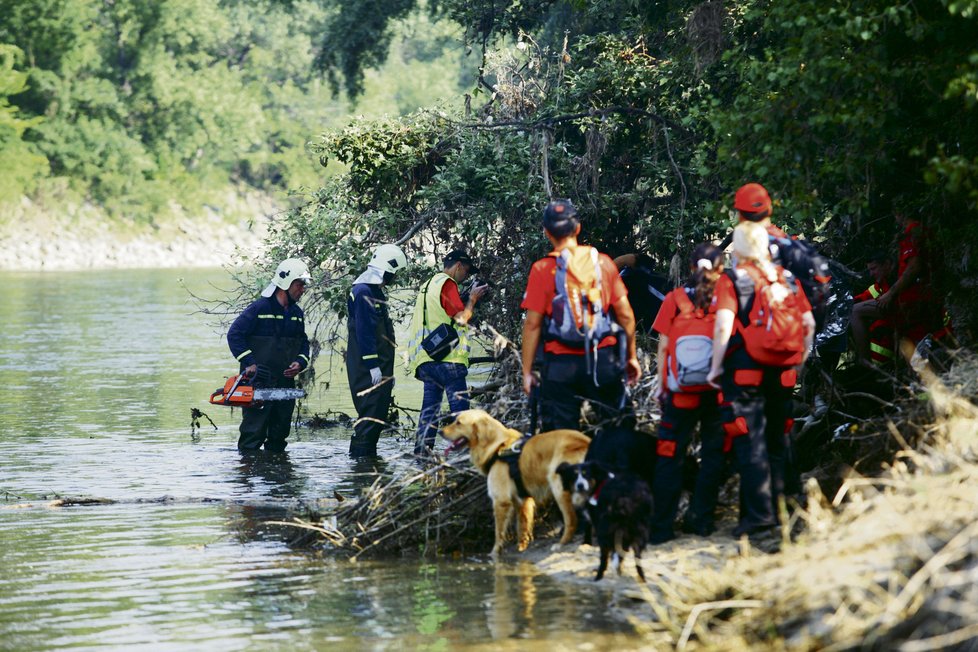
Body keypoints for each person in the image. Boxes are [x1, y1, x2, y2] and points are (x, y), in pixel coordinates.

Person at [707, 221, 815, 537]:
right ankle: (784, 513)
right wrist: (799, 363)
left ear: (738, 248)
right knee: (777, 442)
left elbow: (723, 326)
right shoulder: (789, 279)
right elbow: (808, 323)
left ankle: (758, 520)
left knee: (750, 446)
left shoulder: (734, 279)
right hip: (782, 374)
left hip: (745, 375)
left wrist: (715, 368)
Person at [520, 199, 641, 433]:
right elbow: (625, 315)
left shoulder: (543, 269)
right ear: (577, 228)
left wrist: (527, 372)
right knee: (619, 430)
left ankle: (572, 468)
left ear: (547, 232)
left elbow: (532, 325)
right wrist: (630, 357)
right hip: (602, 360)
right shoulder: (603, 263)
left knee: (562, 438)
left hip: (559, 366)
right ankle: (613, 468)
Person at [650, 243, 726, 543]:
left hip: (679, 394)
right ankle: (701, 521)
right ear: (720, 270)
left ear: (692, 267)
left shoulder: (674, 299)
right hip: (716, 392)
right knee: (712, 456)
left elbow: (664, 346)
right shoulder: (726, 299)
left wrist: (660, 384)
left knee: (669, 458)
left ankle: (661, 529)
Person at [227, 258, 312, 452]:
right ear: (286, 284)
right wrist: (249, 362)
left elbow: (303, 342)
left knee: (279, 437)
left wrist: (300, 362)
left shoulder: (297, 313)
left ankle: (278, 477)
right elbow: (234, 334)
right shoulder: (259, 308)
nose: (302, 290)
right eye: (299, 285)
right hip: (258, 384)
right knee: (252, 436)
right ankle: (246, 474)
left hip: (285, 385)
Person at [407, 249, 487, 456]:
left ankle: (422, 458)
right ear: (459, 265)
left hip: (426, 361)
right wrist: (473, 299)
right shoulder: (447, 284)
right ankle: (465, 459)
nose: (466, 277)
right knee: (460, 412)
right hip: (448, 360)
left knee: (429, 414)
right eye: (467, 272)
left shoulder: (427, 286)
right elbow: (461, 318)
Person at [346, 244, 408, 458]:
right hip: (367, 368)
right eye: (394, 272)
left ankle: (366, 463)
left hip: (380, 367)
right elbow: (364, 332)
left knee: (377, 415)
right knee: (370, 416)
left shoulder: (373, 291)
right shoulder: (363, 291)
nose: (394, 277)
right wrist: (373, 366)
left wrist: (387, 372)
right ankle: (361, 463)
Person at [850, 250, 897, 367]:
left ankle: (864, 362)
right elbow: (871, 293)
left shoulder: (898, 277)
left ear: (886, 264)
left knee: (855, 311)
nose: (871, 274)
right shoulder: (884, 280)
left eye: (874, 269)